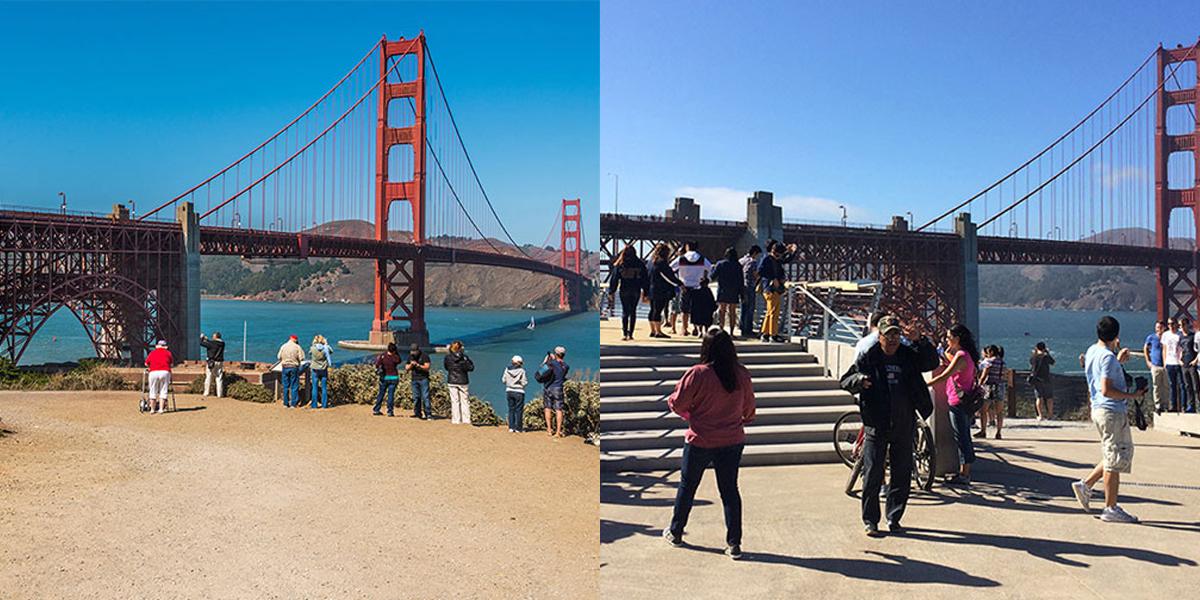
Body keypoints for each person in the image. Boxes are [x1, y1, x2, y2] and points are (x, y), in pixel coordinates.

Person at [839, 316, 935, 537]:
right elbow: (845, 380)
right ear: (879, 336)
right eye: (888, 335)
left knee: (901, 474)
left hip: (904, 422)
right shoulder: (869, 357)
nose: (892, 339)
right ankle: (871, 520)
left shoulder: (908, 356)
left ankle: (894, 517)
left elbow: (931, 363)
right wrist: (859, 381)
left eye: (896, 334)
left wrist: (921, 340)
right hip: (876, 423)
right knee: (873, 473)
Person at [664, 328, 756, 559]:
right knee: (729, 491)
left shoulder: (697, 373)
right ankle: (734, 543)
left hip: (700, 438)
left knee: (687, 486)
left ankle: (676, 531)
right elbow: (749, 410)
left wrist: (689, 412)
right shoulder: (741, 374)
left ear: (705, 348)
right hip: (732, 439)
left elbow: (678, 403)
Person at [1072, 315, 1146, 523]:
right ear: (1116, 335)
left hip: (1098, 410)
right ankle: (1110, 508)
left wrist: (1117, 359)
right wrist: (1134, 396)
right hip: (1111, 411)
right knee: (1115, 459)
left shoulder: (1093, 351)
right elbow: (1106, 389)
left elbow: (1099, 377)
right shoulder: (1108, 357)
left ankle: (1086, 485)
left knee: (1111, 452)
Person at [927, 323, 979, 486]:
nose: (946, 340)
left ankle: (964, 474)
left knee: (961, 437)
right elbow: (954, 366)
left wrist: (926, 384)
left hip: (957, 401)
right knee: (965, 435)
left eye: (949, 337)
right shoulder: (967, 355)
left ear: (957, 339)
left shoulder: (960, 356)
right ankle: (965, 470)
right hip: (966, 400)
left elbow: (944, 376)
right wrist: (947, 354)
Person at [670, 241, 713, 337]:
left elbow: (670, 269)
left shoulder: (681, 259)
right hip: (698, 286)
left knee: (684, 309)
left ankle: (684, 329)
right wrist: (707, 279)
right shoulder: (702, 259)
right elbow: (711, 268)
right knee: (696, 309)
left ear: (687, 247)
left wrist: (677, 282)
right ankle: (696, 328)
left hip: (685, 286)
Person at [608, 245, 650, 341]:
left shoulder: (620, 264)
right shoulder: (640, 264)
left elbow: (614, 279)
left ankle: (624, 334)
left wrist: (611, 291)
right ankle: (631, 334)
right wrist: (646, 292)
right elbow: (645, 279)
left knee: (625, 311)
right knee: (633, 311)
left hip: (624, 289)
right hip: (636, 290)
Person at [647, 243, 684, 339]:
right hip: (660, 289)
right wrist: (680, 284)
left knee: (652, 310)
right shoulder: (662, 263)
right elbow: (670, 276)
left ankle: (652, 330)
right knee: (658, 310)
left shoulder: (651, 262)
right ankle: (658, 332)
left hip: (651, 288)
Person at [756, 241, 788, 343]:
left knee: (771, 312)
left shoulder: (776, 260)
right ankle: (773, 335)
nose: (779, 257)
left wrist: (781, 279)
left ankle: (765, 333)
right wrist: (773, 278)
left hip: (775, 289)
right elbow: (760, 271)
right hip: (769, 289)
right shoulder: (766, 259)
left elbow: (783, 266)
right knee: (774, 312)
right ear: (775, 252)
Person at [977, 345, 1006, 440]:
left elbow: (984, 375)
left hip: (989, 386)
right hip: (1000, 386)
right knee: (1000, 412)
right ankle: (998, 432)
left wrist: (979, 384)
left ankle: (983, 431)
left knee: (983, 410)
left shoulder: (989, 362)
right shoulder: (1002, 362)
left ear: (991, 352)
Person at [712, 247, 744, 335]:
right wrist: (742, 294)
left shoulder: (720, 264)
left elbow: (712, 276)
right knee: (732, 312)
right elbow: (741, 281)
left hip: (722, 290)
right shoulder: (738, 265)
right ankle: (732, 332)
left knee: (722, 311)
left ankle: (721, 329)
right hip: (734, 291)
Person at [542, 346, 571, 437]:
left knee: (548, 408)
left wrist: (547, 360)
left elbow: (542, 370)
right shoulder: (566, 366)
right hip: (558, 388)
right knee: (559, 410)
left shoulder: (551, 363)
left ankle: (549, 430)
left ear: (555, 353)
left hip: (548, 387)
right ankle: (558, 432)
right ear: (564, 355)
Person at [444, 340, 474, 424]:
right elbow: (471, 368)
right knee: (465, 401)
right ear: (461, 348)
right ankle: (466, 420)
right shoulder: (464, 358)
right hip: (463, 380)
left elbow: (446, 367)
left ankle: (456, 420)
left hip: (452, 380)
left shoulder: (448, 357)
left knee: (454, 401)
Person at [737, 245, 763, 339]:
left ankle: (742, 327)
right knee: (750, 308)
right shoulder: (753, 262)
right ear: (755, 253)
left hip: (742, 287)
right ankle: (748, 329)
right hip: (750, 287)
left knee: (744, 308)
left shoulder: (741, 260)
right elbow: (755, 275)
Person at [372, 343, 402, 416]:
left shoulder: (383, 356)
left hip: (384, 377)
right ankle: (390, 411)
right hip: (394, 377)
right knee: (390, 395)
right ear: (394, 350)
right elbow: (399, 361)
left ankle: (376, 409)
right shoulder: (395, 357)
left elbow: (377, 365)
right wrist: (396, 352)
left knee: (381, 394)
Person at [1144, 320, 1167, 414]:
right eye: (1157, 327)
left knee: (1166, 386)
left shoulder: (1167, 337)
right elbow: (1145, 348)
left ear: (1164, 328)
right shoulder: (1151, 337)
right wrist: (1148, 361)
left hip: (1166, 365)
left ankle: (1166, 405)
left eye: (1160, 327)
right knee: (1156, 386)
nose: (1159, 329)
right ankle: (1158, 405)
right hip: (1155, 365)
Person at [144, 340, 173, 414]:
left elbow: (146, 363)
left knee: (153, 390)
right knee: (163, 390)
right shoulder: (168, 353)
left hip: (153, 372)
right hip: (165, 372)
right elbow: (171, 364)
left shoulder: (152, 353)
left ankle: (152, 409)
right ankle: (161, 409)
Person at [1029, 341, 1056, 421]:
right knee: (1049, 398)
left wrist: (1035, 353)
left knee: (1039, 397)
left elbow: (1031, 363)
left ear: (1037, 348)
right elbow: (1053, 362)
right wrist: (1047, 353)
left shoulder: (1034, 357)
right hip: (1046, 379)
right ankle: (1050, 415)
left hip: (1037, 379)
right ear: (1044, 348)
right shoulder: (1046, 357)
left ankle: (1040, 415)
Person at [406, 343, 432, 419]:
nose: (413, 353)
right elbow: (406, 368)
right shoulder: (410, 357)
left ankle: (428, 414)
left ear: (418, 350)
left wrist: (418, 365)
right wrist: (411, 365)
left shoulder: (424, 356)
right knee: (416, 397)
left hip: (423, 379)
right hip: (414, 379)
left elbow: (427, 367)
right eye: (412, 351)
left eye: (414, 351)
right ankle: (417, 413)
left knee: (425, 397)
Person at [277, 334, 305, 408]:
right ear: (295, 340)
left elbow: (279, 356)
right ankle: (293, 403)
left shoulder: (283, 346)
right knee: (294, 386)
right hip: (294, 367)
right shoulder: (297, 347)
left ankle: (285, 403)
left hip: (285, 367)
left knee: (285, 386)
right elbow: (302, 358)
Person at [502, 355, 528, 433]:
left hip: (509, 391)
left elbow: (503, 380)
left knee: (511, 409)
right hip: (519, 391)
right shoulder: (522, 371)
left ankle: (511, 427)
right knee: (519, 410)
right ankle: (518, 428)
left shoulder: (507, 369)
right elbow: (524, 382)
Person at [308, 334, 333, 409]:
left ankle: (314, 405)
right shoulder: (326, 348)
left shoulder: (312, 348)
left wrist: (313, 344)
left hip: (315, 369)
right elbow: (331, 351)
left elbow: (310, 353)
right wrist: (326, 344)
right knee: (324, 388)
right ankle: (324, 405)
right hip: (323, 369)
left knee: (314, 387)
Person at [199, 331, 225, 398]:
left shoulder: (211, 343)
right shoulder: (222, 343)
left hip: (211, 362)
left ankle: (206, 393)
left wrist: (201, 338)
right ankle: (219, 394)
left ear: (215, 336)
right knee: (219, 378)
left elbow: (201, 343)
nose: (212, 337)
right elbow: (214, 343)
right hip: (220, 362)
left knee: (209, 377)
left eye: (213, 336)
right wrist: (207, 340)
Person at [1181, 317, 1198, 413]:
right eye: (1180, 325)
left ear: (1188, 325)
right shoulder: (1181, 337)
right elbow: (1180, 349)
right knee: (1188, 386)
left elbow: (1198, 349)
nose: (1182, 327)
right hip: (1184, 365)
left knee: (1196, 386)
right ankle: (1191, 406)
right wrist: (1180, 360)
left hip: (1192, 364)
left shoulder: (1193, 335)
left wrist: (1195, 360)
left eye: (1184, 324)